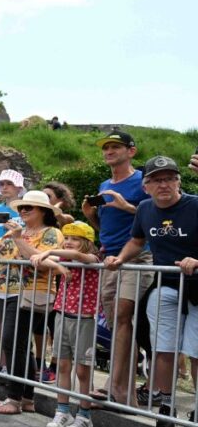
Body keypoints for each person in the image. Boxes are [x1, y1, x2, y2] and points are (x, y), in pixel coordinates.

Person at [106, 156, 197, 427]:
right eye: (156, 180)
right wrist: (120, 258)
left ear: (179, 182)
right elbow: (137, 240)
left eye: (169, 178)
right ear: (146, 187)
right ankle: (166, 404)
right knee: (163, 348)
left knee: (196, 352)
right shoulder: (145, 209)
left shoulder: (195, 205)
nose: (163, 185)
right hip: (166, 284)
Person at [83, 131, 154, 406]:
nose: (109, 151)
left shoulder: (143, 181)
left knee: (124, 317)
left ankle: (117, 388)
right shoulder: (104, 184)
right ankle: (123, 391)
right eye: (106, 147)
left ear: (131, 151)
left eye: (115, 146)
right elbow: (107, 227)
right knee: (117, 323)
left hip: (137, 257)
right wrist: (91, 216)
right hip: (110, 259)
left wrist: (127, 207)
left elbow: (157, 215)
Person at [0, 190, 63, 414]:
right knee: (20, 345)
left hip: (30, 291)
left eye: (28, 207)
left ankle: (14, 399)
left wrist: (19, 239)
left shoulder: (51, 233)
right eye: (21, 207)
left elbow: (44, 262)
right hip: (5, 291)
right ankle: (27, 398)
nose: (22, 211)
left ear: (43, 211)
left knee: (12, 342)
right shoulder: (14, 231)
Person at [31, 221, 101, 427]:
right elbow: (39, 259)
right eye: (67, 238)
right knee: (62, 365)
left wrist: (50, 251)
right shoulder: (64, 260)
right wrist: (57, 265)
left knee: (82, 369)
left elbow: (79, 256)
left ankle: (84, 414)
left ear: (87, 242)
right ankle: (62, 411)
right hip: (62, 314)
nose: (69, 242)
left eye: (75, 239)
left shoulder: (93, 258)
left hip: (84, 319)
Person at [0, 168, 27, 237]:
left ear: (19, 188)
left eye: (9, 183)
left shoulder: (27, 209)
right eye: (1, 184)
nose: (4, 187)